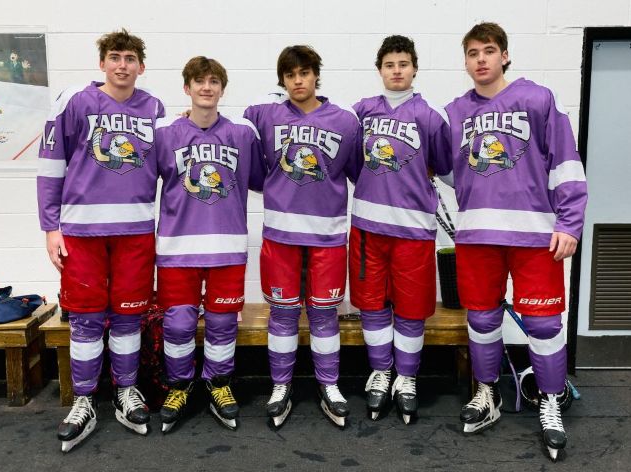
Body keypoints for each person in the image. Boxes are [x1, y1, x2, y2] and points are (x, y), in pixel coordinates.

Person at [444, 22, 587, 460]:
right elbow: (450, 171)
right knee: (482, 319)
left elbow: (565, 162)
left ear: (504, 55)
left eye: (488, 50)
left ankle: (550, 399)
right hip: (477, 236)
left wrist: (570, 223)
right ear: (465, 61)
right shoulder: (455, 112)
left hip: (535, 235)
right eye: (473, 53)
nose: (481, 59)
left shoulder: (537, 98)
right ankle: (487, 393)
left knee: (543, 325)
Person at [37, 29, 165, 452]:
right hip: (82, 232)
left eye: (129, 58)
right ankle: (85, 399)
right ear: (102, 63)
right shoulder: (75, 101)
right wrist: (51, 227)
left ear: (141, 66)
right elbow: (51, 165)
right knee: (86, 319)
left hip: (135, 232)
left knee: (129, 318)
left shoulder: (155, 108)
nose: (122, 65)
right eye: (115, 57)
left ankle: (127, 391)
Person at [244, 45, 362, 428]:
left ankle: (330, 385)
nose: (298, 80)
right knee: (283, 313)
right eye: (290, 74)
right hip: (281, 234)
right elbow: (238, 149)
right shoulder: (261, 115)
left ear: (316, 75)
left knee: (325, 313)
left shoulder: (345, 120)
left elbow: (360, 172)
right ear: (282, 79)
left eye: (304, 73)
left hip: (327, 234)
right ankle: (281, 386)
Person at [154, 56, 265, 432]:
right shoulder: (164, 132)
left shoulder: (242, 134)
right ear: (187, 88)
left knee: (222, 322)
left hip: (227, 247)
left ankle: (218, 382)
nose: (206, 87)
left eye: (214, 81)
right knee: (178, 324)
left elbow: (263, 179)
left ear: (222, 89)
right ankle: (179, 385)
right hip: (176, 248)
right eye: (199, 81)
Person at [349, 35, 452, 424]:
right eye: (389, 65)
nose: (397, 71)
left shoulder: (430, 116)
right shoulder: (360, 112)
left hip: (413, 230)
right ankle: (381, 371)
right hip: (368, 228)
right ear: (379, 70)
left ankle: (406, 377)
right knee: (372, 303)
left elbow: (444, 167)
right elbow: (347, 161)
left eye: (403, 64)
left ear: (414, 68)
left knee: (411, 307)